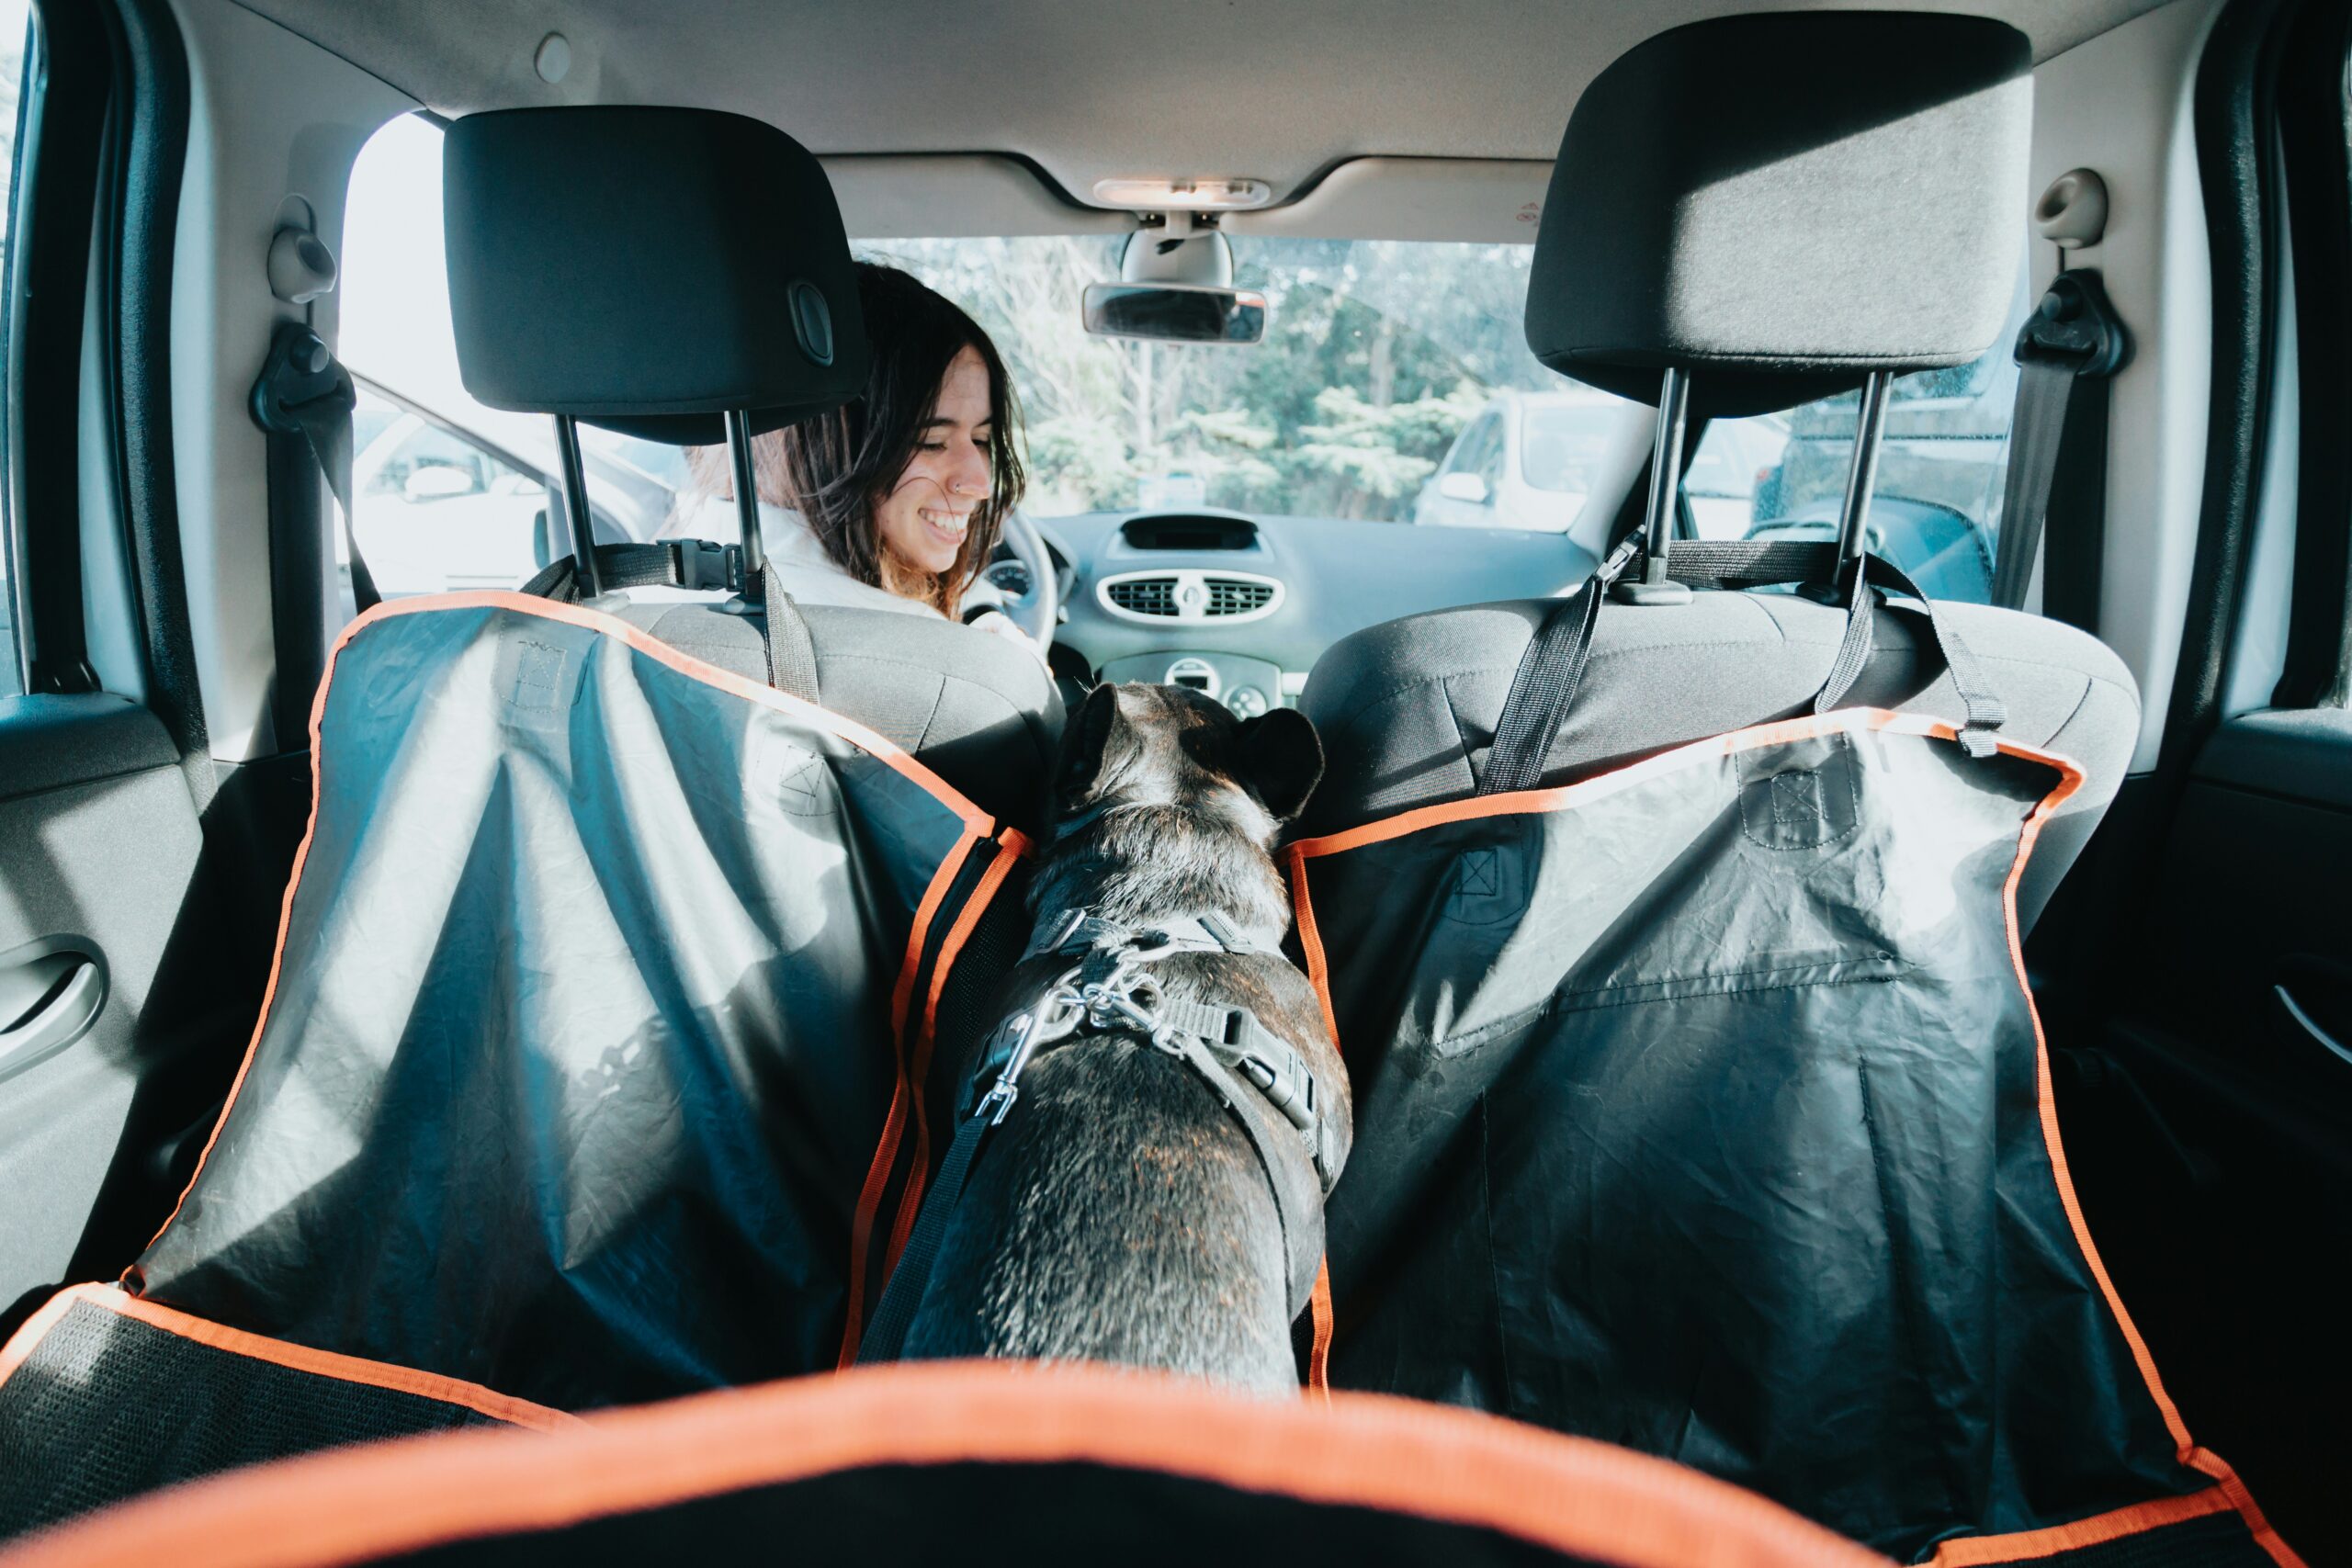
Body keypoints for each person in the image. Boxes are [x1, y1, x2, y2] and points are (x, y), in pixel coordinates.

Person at [668, 262, 1037, 653]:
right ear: (824, 441)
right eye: (932, 442)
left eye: (981, 439)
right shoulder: (925, 654)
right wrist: (1014, 673)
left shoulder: (671, 583)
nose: (981, 485)